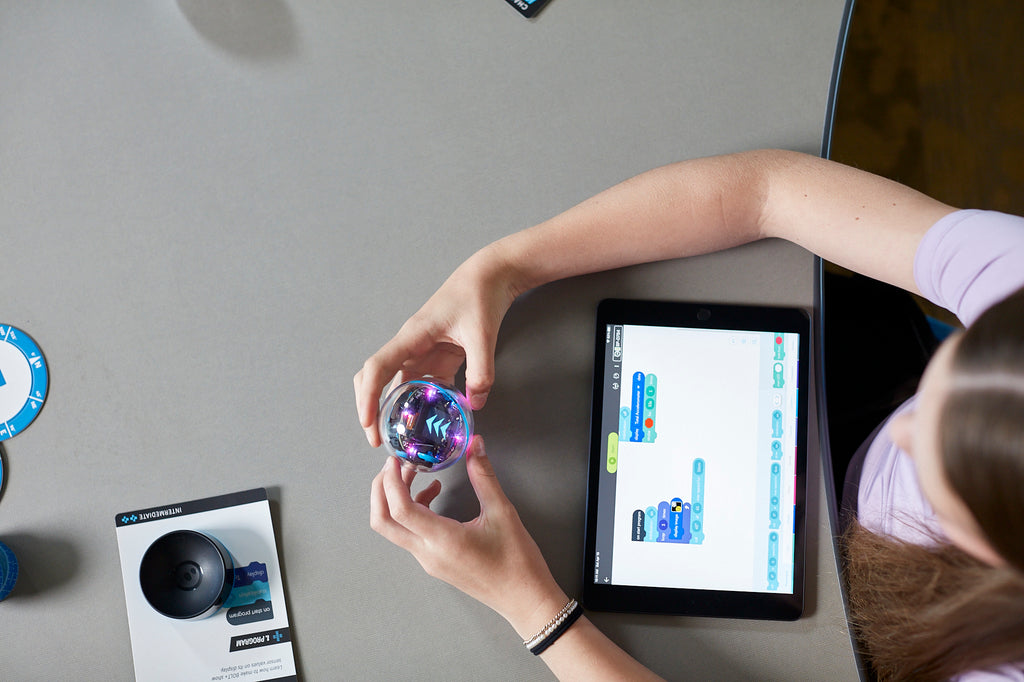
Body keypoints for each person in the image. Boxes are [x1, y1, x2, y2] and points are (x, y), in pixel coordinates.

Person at [355, 149, 1024, 681]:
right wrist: (503, 268)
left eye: (939, 473)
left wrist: (532, 607)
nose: (903, 430)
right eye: (950, 373)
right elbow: (766, 193)